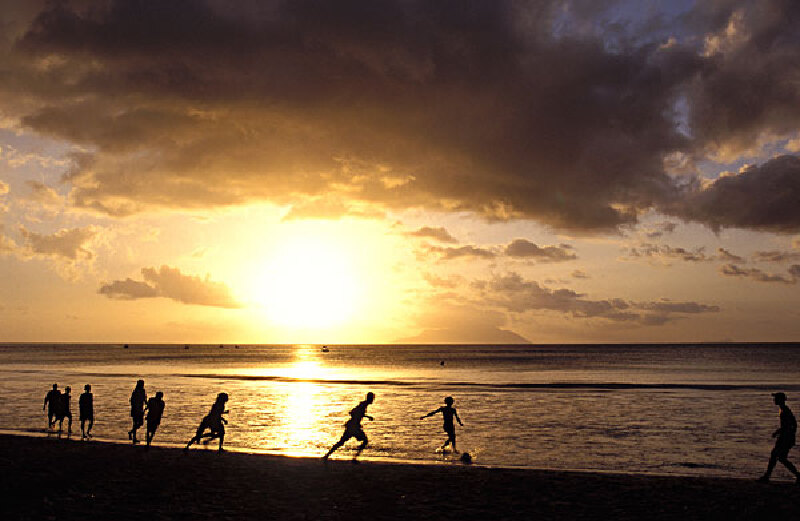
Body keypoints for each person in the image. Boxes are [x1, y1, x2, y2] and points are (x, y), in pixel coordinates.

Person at [758, 392, 800, 484]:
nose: (774, 400)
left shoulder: (785, 410)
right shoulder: (783, 410)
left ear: (780, 400)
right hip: (785, 437)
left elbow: (788, 425)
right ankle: (767, 476)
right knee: (780, 457)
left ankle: (767, 476)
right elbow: (793, 424)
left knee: (777, 456)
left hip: (785, 438)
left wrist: (780, 433)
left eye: (776, 398)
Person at [323, 392, 375, 462]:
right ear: (369, 398)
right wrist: (361, 418)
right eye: (372, 398)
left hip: (352, 426)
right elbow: (353, 412)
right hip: (354, 427)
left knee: (342, 442)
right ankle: (354, 457)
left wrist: (365, 417)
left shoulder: (363, 405)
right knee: (364, 440)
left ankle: (327, 455)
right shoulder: (363, 405)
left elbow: (354, 412)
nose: (372, 400)